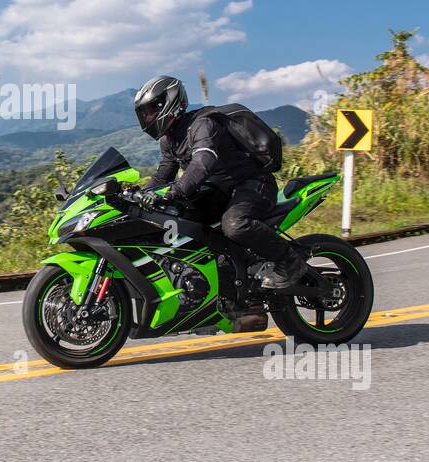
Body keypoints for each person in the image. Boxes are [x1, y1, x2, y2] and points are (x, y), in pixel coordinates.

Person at [132, 75, 309, 303]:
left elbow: (203, 161)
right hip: (221, 192)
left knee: (235, 225)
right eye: (144, 113)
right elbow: (164, 171)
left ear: (168, 103)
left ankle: (289, 261)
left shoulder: (202, 125)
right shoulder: (169, 139)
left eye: (150, 110)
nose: (147, 117)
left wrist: (176, 191)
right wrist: (143, 195)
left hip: (252, 184)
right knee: (181, 223)